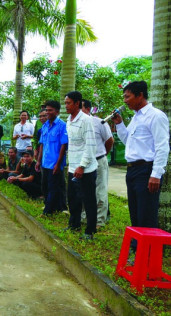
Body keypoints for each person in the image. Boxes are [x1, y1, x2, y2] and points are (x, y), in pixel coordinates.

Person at [112, 81, 169, 250]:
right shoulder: (136, 118)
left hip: (147, 170)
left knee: (146, 214)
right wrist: (119, 124)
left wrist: (156, 174)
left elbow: (162, 146)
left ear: (140, 95)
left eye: (127, 96)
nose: (125, 101)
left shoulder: (156, 116)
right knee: (136, 213)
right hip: (133, 170)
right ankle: (138, 249)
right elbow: (128, 141)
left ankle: (148, 252)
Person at [65, 91, 97, 240]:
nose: (66, 106)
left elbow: (90, 145)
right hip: (72, 167)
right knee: (73, 198)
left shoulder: (86, 120)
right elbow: (72, 145)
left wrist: (82, 166)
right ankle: (74, 224)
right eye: (65, 103)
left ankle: (90, 231)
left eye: (68, 103)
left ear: (77, 103)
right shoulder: (69, 120)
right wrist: (73, 165)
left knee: (88, 200)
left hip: (86, 169)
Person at [82, 99, 114, 229]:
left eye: (81, 108)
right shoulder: (77, 123)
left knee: (100, 191)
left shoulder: (99, 122)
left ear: (88, 109)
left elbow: (109, 140)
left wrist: (103, 154)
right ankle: (84, 217)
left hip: (99, 160)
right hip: (84, 162)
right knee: (85, 191)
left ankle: (100, 220)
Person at [36, 100, 68, 216]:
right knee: (45, 187)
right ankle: (55, 207)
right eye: (47, 110)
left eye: (50, 110)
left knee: (53, 187)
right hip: (45, 163)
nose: (48, 112)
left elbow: (63, 146)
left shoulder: (62, 126)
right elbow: (42, 145)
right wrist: (38, 161)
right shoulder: (44, 126)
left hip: (55, 163)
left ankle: (48, 211)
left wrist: (57, 164)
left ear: (57, 112)